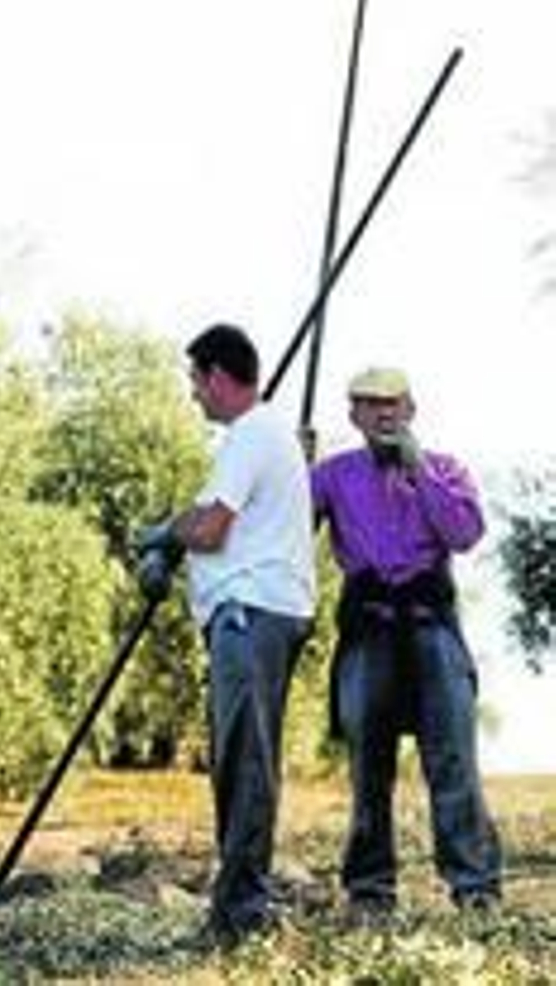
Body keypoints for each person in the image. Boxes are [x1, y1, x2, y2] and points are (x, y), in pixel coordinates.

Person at [137, 323, 317, 941]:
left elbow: (211, 528)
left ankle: (241, 916)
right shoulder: (266, 435)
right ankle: (239, 909)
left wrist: (162, 533)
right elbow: (222, 524)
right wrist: (173, 544)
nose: (193, 395)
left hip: (251, 615)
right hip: (257, 614)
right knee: (242, 761)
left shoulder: (251, 434)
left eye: (194, 380)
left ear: (217, 376)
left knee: (244, 765)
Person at [311, 366, 502, 916]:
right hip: (368, 627)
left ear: (412, 409)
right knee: (369, 769)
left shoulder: (446, 470)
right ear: (355, 416)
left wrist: (419, 471)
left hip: (432, 626)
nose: (385, 413)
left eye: (394, 403)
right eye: (371, 405)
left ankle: (476, 891)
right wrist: (289, 470)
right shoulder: (332, 474)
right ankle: (370, 893)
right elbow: (286, 525)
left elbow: (464, 534)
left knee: (453, 763)